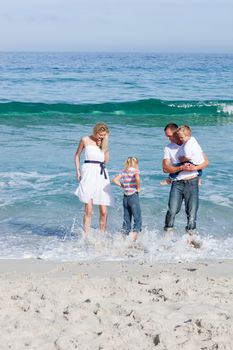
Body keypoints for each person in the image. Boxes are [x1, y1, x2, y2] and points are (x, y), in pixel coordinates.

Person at [162, 123, 209, 244]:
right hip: (177, 183)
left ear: (177, 133)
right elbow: (165, 168)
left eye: (170, 136)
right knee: (172, 210)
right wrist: (181, 167)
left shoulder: (191, 144)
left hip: (192, 181)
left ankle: (190, 239)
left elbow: (206, 162)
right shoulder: (168, 148)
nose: (169, 138)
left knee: (192, 211)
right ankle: (167, 238)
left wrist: (194, 168)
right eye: (167, 136)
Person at [74, 122, 114, 234]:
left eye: (104, 135)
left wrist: (104, 145)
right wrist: (77, 171)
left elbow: (106, 161)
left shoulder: (104, 144)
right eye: (100, 135)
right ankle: (86, 237)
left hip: (101, 174)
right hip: (88, 172)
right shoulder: (85, 140)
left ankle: (101, 236)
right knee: (89, 209)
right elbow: (77, 155)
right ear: (95, 132)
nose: (101, 137)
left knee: (104, 211)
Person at [112, 157, 142, 242]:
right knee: (137, 218)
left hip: (125, 197)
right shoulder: (135, 171)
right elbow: (137, 179)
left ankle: (123, 239)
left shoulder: (123, 172)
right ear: (135, 164)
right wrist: (138, 188)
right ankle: (134, 239)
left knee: (126, 219)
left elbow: (114, 180)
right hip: (133, 196)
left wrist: (122, 185)